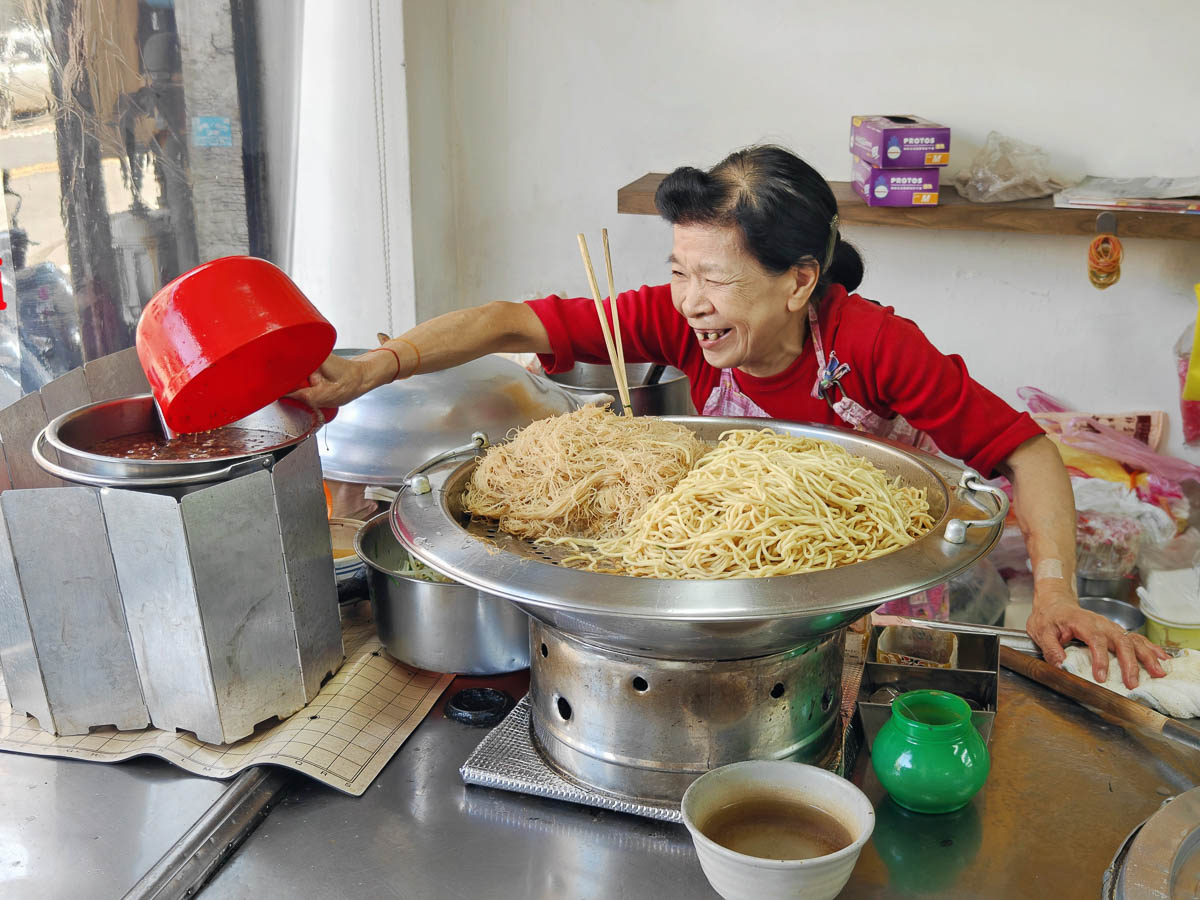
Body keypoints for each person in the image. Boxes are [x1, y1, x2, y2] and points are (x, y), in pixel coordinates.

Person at [294, 144, 1167, 689]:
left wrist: (1056, 591)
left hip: (883, 588)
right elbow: (511, 320)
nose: (690, 302)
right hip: (745, 596)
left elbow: (1026, 450)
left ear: (797, 282)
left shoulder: (873, 345)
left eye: (715, 278)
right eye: (679, 270)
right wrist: (376, 367)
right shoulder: (676, 317)